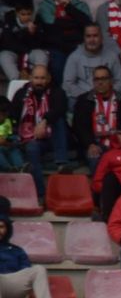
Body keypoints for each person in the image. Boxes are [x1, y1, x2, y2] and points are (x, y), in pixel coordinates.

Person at [17, 63, 67, 199]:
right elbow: (13, 114)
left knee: (58, 120)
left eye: (42, 78)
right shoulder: (21, 94)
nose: (39, 82)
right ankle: (41, 195)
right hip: (30, 138)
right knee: (32, 148)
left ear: (49, 78)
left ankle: (61, 163)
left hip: (52, 137)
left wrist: (44, 121)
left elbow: (60, 108)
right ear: (30, 78)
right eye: (36, 78)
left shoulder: (57, 92)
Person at [0, 215, 56, 298]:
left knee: (38, 269)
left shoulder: (16, 250)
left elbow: (25, 271)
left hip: (13, 285)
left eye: (1, 227)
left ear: (7, 229)